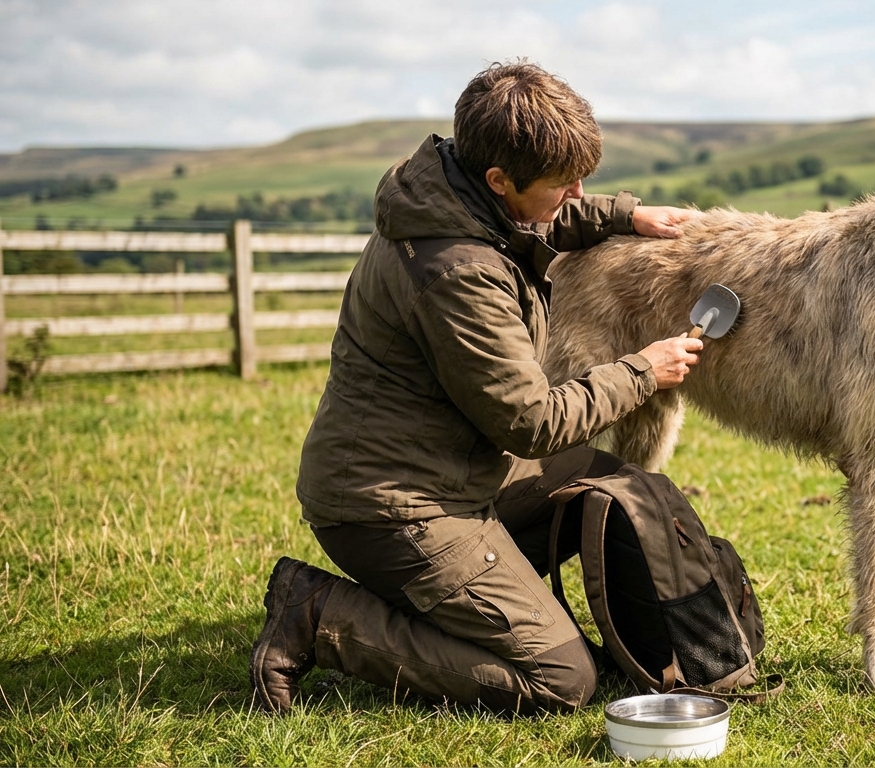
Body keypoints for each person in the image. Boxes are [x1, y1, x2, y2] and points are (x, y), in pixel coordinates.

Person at [249, 61, 703, 715]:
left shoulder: (451, 197)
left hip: (448, 473)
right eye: (564, 183)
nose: (577, 193)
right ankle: (318, 616)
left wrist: (626, 217)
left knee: (605, 481)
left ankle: (485, 605)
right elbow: (531, 424)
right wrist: (642, 371)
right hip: (396, 507)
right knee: (562, 679)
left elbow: (535, 217)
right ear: (498, 178)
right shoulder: (457, 273)